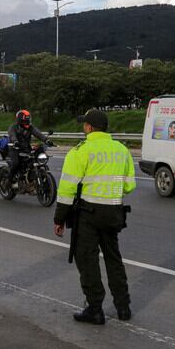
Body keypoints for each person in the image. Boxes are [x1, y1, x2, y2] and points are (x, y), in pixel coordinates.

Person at [53, 108, 136, 325]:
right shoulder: (121, 150)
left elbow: (67, 189)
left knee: (87, 260)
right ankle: (123, 307)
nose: (83, 128)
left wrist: (59, 219)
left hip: (88, 214)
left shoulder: (81, 150)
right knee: (113, 259)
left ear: (89, 127)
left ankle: (95, 309)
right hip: (114, 214)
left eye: (84, 125)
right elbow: (129, 185)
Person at [6, 110, 48, 183]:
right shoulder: (13, 127)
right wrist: (15, 142)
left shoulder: (30, 127)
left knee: (37, 160)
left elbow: (38, 133)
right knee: (16, 163)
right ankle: (10, 180)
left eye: (27, 120)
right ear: (19, 120)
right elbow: (12, 135)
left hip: (26, 149)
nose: (26, 122)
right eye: (24, 121)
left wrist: (46, 140)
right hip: (15, 149)